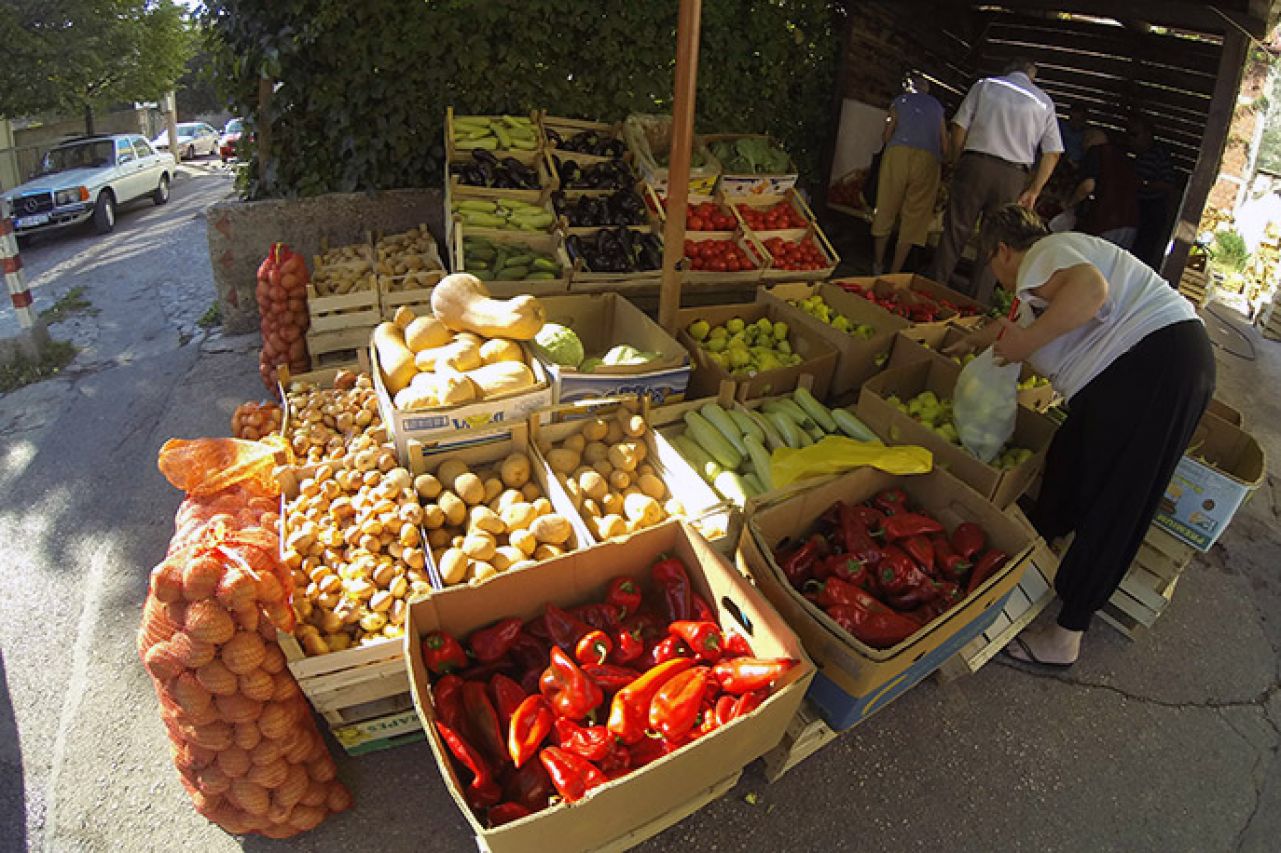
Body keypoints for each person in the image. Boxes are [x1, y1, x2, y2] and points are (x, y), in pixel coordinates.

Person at [977, 204, 1215, 667]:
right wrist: (977, 341)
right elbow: (1023, 325)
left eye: (990, 262)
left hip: (1157, 363)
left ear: (1002, 250)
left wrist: (1023, 345)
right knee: (1070, 460)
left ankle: (1067, 635)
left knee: (1120, 495)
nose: (997, 275)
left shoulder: (1043, 255)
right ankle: (1032, 568)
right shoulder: (1052, 269)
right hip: (1154, 363)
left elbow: (1091, 291)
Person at [930, 58, 1064, 304]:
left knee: (955, 230)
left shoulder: (985, 85)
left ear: (1007, 71)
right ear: (1032, 77)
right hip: (1013, 176)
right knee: (996, 240)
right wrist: (1034, 190)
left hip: (975, 164)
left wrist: (957, 160)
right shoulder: (1044, 102)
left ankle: (934, 291)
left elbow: (959, 127)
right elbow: (1052, 153)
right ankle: (976, 303)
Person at [871, 73, 948, 275]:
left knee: (886, 206)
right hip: (928, 160)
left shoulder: (900, 101)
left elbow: (887, 135)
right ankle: (895, 272)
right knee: (914, 217)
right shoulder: (937, 108)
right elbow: (945, 144)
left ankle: (877, 265)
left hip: (898, 155)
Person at [1066, 127, 1140, 249]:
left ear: (1088, 140)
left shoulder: (1096, 152)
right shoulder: (1124, 159)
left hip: (1106, 221)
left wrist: (1069, 204)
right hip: (1131, 223)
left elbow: (1088, 186)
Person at [1127, 115, 1180, 272]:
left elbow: (1169, 185)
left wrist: (1145, 185)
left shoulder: (1159, 155)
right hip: (1137, 207)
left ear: (1148, 134)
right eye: (1129, 134)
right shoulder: (1139, 157)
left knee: (1142, 250)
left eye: (1135, 134)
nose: (1131, 139)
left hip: (1152, 209)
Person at [1058, 103, 1089, 168]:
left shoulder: (1087, 133)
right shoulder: (1061, 127)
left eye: (1078, 120)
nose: (1075, 123)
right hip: (1060, 159)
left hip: (1077, 164)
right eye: (1072, 119)